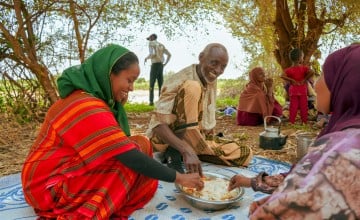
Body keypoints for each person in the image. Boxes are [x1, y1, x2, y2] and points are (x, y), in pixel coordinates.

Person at [21, 44, 203, 219]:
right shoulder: (85, 106)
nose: (131, 87)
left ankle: (113, 196)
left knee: (141, 143)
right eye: (129, 80)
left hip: (61, 173)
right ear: (109, 74)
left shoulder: (91, 100)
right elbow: (128, 156)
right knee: (129, 158)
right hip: (47, 188)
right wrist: (179, 178)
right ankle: (92, 205)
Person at [247, 43, 360, 219]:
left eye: (325, 74)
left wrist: (275, 209)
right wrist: (279, 197)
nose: (315, 84)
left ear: (346, 81)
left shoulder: (344, 153)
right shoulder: (345, 132)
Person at [146, 43, 253, 174]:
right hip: (167, 139)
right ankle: (175, 151)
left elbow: (205, 115)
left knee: (245, 153)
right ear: (201, 57)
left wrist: (207, 138)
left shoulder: (210, 77)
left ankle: (191, 152)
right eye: (214, 63)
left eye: (223, 67)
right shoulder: (180, 79)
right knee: (193, 87)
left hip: (195, 138)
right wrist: (186, 149)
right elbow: (157, 125)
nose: (218, 71)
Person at [281, 48, 314, 124]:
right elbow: (312, 72)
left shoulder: (289, 69)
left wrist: (291, 80)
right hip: (302, 90)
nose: (302, 58)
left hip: (293, 90)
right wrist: (305, 79)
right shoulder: (304, 68)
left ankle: (291, 121)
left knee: (293, 106)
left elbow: (282, 76)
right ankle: (304, 122)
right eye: (302, 57)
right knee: (304, 106)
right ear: (300, 58)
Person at [144, 33, 171, 106]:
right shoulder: (161, 45)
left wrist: (146, 58)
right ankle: (161, 101)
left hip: (155, 65)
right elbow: (169, 54)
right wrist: (165, 64)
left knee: (151, 84)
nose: (149, 40)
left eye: (149, 38)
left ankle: (151, 102)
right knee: (160, 84)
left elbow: (152, 54)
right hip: (161, 65)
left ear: (152, 37)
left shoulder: (151, 43)